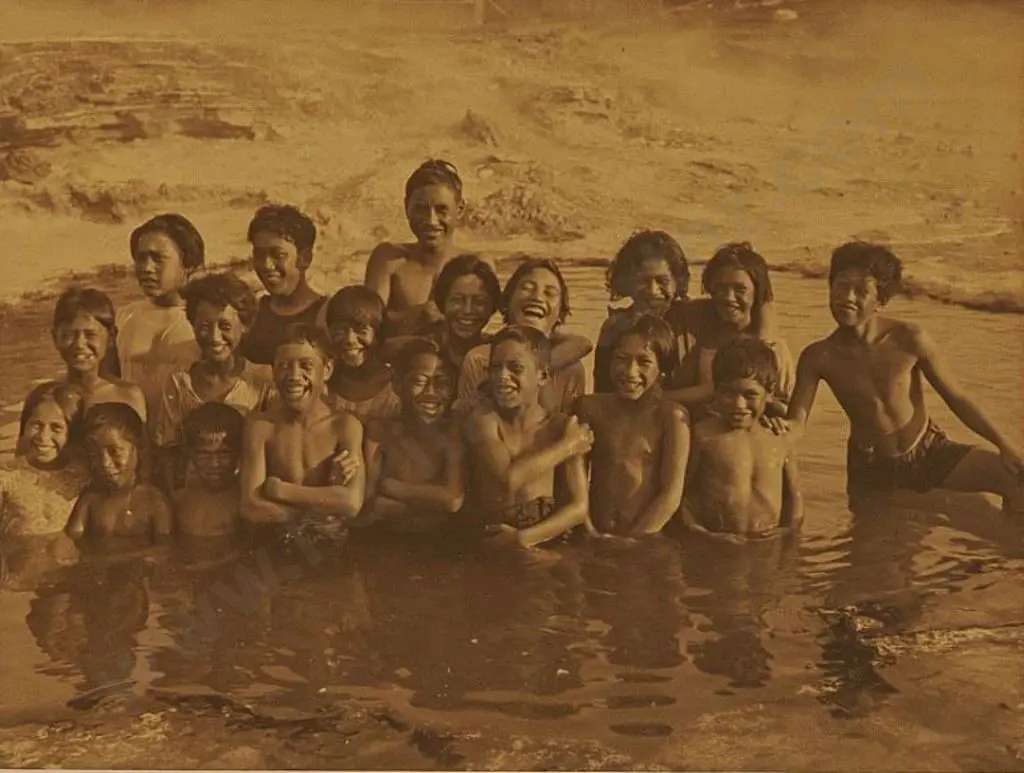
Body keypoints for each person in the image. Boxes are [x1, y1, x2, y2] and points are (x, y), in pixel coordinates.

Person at [787, 241, 1024, 513]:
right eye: (841, 287)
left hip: (928, 452)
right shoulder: (819, 356)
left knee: (1017, 480)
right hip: (871, 467)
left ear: (881, 300)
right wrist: (773, 429)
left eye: (861, 291)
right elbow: (797, 422)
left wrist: (1004, 445)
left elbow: (957, 398)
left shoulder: (909, 339)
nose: (848, 298)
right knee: (873, 538)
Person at [462, 325, 592, 548]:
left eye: (516, 368)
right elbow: (508, 480)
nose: (502, 376)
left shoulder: (561, 426)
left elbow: (579, 508)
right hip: (490, 534)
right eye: (495, 368)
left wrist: (522, 539)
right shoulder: (483, 420)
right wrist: (567, 447)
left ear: (543, 376)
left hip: (540, 534)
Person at [153, 272, 273, 490]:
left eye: (225, 326)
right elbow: (168, 452)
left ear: (244, 326)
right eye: (205, 326)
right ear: (192, 325)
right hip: (195, 493)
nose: (214, 337)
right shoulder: (179, 383)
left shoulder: (264, 381)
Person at [575, 313, 690, 536]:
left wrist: (632, 541)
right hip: (594, 532)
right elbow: (576, 481)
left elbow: (670, 496)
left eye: (644, 362)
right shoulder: (590, 408)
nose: (630, 372)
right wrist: (589, 532)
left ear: (662, 369)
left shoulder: (672, 417)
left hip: (646, 536)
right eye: (621, 359)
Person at [240, 324, 365, 526]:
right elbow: (251, 507)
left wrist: (280, 490)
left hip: (327, 540)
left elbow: (351, 502)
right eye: (284, 366)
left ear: (327, 370)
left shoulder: (344, 426)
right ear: (273, 370)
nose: (294, 376)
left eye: (306, 366)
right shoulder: (261, 428)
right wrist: (310, 518)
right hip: (280, 535)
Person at [683, 338, 804, 541]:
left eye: (750, 395)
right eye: (728, 393)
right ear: (715, 391)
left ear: (770, 393)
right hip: (718, 542)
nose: (739, 404)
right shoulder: (703, 435)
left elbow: (795, 495)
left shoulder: (779, 436)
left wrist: (789, 531)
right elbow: (683, 497)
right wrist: (705, 536)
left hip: (769, 541)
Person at [456, 257, 593, 415]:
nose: (537, 297)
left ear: (560, 314)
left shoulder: (572, 368)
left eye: (550, 293)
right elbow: (467, 422)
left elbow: (570, 423)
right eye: (527, 288)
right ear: (507, 302)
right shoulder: (479, 360)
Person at [672, 242, 791, 412]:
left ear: (757, 291)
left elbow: (786, 407)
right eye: (720, 287)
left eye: (740, 289)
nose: (728, 297)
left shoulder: (772, 348)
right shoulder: (699, 325)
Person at [360, 338, 465, 530]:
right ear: (397, 384)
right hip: (384, 537)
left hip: (437, 540)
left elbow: (452, 500)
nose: (431, 392)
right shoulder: (379, 431)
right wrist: (430, 503)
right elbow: (370, 502)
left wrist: (390, 486)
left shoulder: (452, 432)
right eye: (419, 381)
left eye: (442, 383)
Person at [117, 213, 205, 418]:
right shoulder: (124, 316)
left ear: (188, 264)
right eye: (141, 258)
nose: (146, 268)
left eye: (158, 259)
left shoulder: (207, 322)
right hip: (132, 432)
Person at [364, 159, 465, 337]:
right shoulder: (389, 260)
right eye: (420, 209)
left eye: (441, 210)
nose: (431, 220)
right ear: (406, 208)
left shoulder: (473, 266)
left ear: (460, 209)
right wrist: (417, 316)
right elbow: (368, 324)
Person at [66, 403, 173, 541]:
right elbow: (70, 541)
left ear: (139, 447)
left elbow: (164, 548)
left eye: (115, 451)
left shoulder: (154, 503)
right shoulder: (90, 500)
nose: (105, 463)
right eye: (94, 454)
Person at [382, 253, 501, 373]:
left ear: (492, 306)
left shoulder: (499, 352)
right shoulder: (416, 350)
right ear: (442, 302)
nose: (467, 310)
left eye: (479, 301)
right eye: (457, 300)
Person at [241, 204, 327, 366]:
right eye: (259, 255)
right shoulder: (253, 313)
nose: (267, 265)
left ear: (305, 258)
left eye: (278, 255)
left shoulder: (325, 315)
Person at [1, 382, 89, 538]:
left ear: (73, 432)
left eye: (56, 428)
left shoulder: (85, 479)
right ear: (24, 426)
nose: (43, 437)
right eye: (36, 425)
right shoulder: (6, 477)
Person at [52, 287, 147, 421]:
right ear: (55, 337)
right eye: (69, 335)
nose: (79, 344)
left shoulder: (127, 396)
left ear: (111, 337)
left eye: (90, 335)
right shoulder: (47, 399)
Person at [324, 285, 402, 424]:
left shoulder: (397, 389)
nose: (349, 340)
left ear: (378, 334)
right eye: (340, 330)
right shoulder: (324, 387)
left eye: (361, 330)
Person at [173, 402, 245, 537]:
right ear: (190, 454)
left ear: (238, 454)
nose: (214, 464)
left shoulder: (245, 505)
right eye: (204, 454)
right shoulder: (179, 502)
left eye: (224, 454)